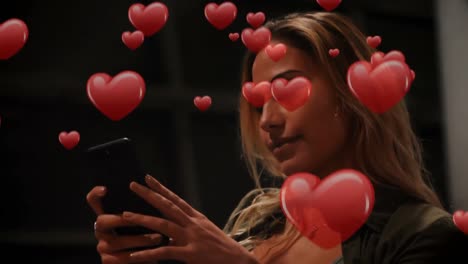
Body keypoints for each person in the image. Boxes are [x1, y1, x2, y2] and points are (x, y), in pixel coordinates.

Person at [86, 11, 468, 264]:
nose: (267, 120)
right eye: (257, 103)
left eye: (286, 91)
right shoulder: (258, 223)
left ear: (352, 94)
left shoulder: (424, 235)